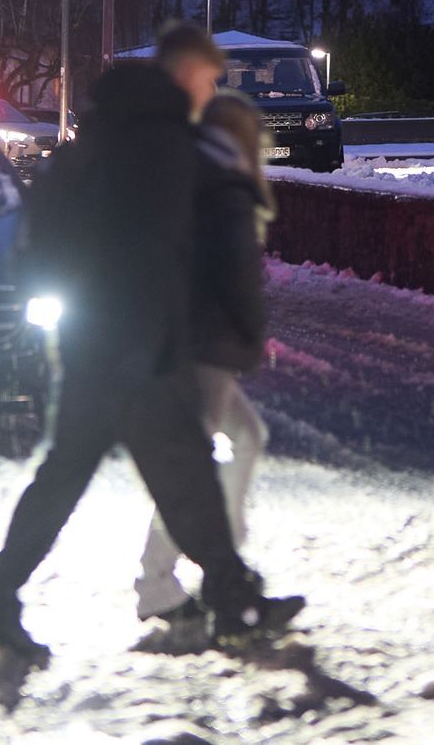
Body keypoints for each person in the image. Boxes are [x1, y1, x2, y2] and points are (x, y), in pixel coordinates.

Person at [0, 22, 301, 664]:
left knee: (65, 480)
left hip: (91, 345)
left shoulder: (89, 146)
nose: (208, 89)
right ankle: (232, 601)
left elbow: (38, 236)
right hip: (146, 347)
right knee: (186, 477)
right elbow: (201, 246)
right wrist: (215, 325)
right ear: (177, 82)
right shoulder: (172, 147)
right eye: (203, 78)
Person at [135, 88, 275, 625]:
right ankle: (160, 578)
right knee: (190, 471)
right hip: (206, 348)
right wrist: (248, 334)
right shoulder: (222, 188)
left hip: (197, 344)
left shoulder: (197, 181)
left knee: (248, 438)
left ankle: (224, 557)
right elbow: (232, 275)